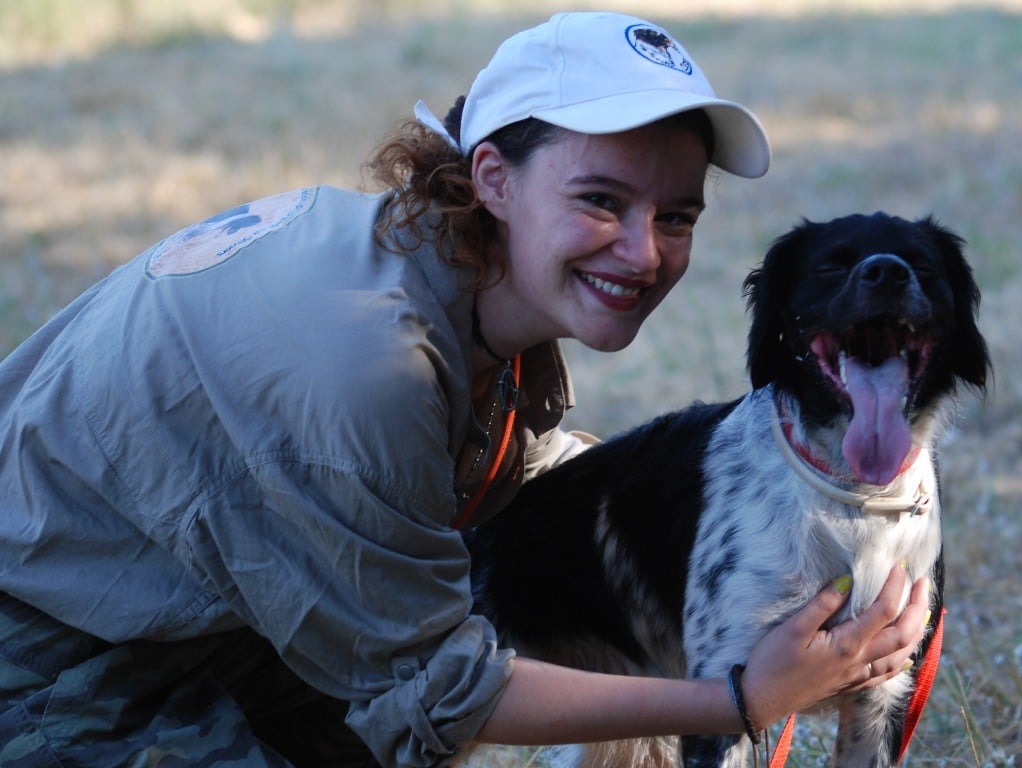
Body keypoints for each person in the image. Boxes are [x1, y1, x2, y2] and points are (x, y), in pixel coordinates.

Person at [0, 10, 929, 768]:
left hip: (206, 618)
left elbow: (505, 483)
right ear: (493, 177)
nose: (645, 252)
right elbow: (440, 688)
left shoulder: (439, 271)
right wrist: (737, 698)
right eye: (601, 201)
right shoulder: (367, 364)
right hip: (46, 652)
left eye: (675, 215)